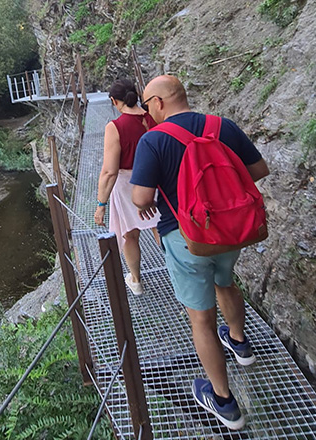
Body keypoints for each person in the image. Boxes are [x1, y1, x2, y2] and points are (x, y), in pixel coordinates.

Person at [130, 75, 270, 430]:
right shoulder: (222, 126)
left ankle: (223, 401)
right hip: (230, 233)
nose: (147, 112)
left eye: (147, 105)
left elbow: (142, 198)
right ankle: (240, 345)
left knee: (201, 319)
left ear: (158, 102)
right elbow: (259, 171)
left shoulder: (153, 140)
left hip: (187, 239)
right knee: (226, 283)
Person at [94, 79, 160, 296]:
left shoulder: (115, 127)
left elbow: (109, 171)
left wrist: (101, 204)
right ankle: (179, 268)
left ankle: (136, 280)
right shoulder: (154, 117)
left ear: (114, 101)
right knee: (160, 227)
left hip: (127, 186)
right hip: (157, 180)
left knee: (129, 234)